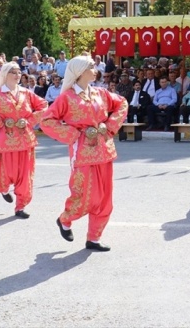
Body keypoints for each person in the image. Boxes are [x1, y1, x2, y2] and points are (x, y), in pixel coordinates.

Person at [41, 55, 127, 251]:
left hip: (104, 150)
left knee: (105, 197)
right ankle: (65, 219)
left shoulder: (101, 93)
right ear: (80, 72)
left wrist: (109, 125)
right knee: (85, 194)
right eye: (91, 67)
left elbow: (122, 104)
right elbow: (47, 121)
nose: (95, 70)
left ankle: (94, 238)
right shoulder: (66, 98)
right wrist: (75, 134)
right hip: (83, 152)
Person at [0, 62, 48, 218]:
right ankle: (2, 188)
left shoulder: (26, 93)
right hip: (6, 139)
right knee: (6, 171)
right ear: (5, 74)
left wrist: (29, 121)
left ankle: (20, 206)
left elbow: (43, 105)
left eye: (19, 72)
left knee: (25, 173)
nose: (17, 75)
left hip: (25, 139)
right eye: (13, 72)